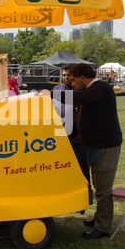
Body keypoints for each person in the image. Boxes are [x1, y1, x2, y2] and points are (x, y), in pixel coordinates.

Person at [52, 63, 122, 239]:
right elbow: (79, 121)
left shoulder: (101, 89)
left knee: (103, 188)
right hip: (94, 145)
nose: (72, 84)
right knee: (98, 184)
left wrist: (52, 94)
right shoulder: (89, 93)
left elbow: (81, 99)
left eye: (74, 80)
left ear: (82, 77)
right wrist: (67, 138)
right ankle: (99, 218)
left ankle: (103, 227)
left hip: (105, 146)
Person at [52, 65, 92, 204]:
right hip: (59, 136)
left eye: (68, 75)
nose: (66, 77)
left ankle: (86, 195)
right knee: (60, 167)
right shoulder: (56, 90)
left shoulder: (80, 92)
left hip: (78, 138)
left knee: (81, 168)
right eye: (63, 75)